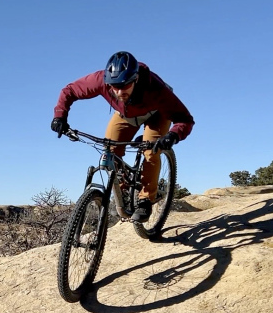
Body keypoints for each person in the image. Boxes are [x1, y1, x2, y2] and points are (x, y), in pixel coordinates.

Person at [51, 51, 195, 223]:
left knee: (150, 150)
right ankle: (124, 191)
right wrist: (60, 116)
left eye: (124, 85)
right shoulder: (100, 81)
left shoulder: (156, 89)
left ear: (135, 79)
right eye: (114, 86)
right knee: (110, 149)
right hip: (125, 115)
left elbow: (185, 119)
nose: (119, 92)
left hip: (157, 114)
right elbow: (70, 90)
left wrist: (172, 136)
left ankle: (145, 200)